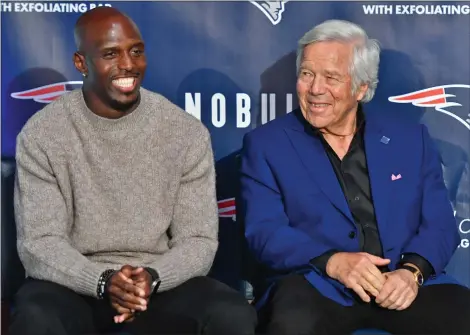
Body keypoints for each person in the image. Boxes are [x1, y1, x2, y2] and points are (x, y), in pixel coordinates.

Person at [9, 7, 257, 335]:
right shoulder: (43, 134)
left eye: (136, 51)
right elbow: (40, 244)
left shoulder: (184, 131)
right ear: (81, 63)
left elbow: (197, 240)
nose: (128, 65)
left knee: (230, 313)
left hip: (156, 284)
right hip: (74, 286)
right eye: (111, 54)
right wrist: (102, 282)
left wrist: (150, 279)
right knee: (36, 314)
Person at [239, 19, 470, 335]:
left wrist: (411, 272)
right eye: (307, 74)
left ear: (361, 87)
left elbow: (440, 224)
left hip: (402, 283)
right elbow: (264, 233)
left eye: (331, 77)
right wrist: (335, 263)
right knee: (291, 322)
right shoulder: (267, 145)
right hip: (317, 285)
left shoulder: (410, 140)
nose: (315, 88)